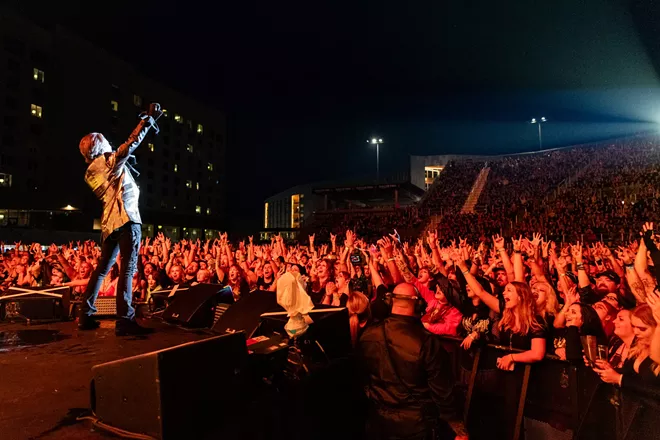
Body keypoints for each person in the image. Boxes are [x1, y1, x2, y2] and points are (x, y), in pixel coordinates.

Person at [77, 102, 162, 335]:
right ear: (98, 146)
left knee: (102, 269)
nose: (108, 144)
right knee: (126, 269)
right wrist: (146, 121)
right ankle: (125, 320)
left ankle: (85, 315)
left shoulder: (90, 172)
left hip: (109, 224)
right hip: (126, 218)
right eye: (103, 141)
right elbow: (129, 145)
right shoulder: (108, 161)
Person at [357, 282, 468, 440]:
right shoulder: (427, 342)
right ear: (418, 305)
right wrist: (459, 429)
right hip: (416, 426)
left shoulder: (368, 335)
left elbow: (363, 380)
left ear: (390, 302)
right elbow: (442, 392)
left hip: (378, 422)